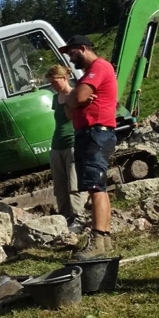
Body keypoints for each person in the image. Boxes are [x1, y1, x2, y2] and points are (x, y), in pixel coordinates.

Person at [63, 35, 118, 260]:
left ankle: (97, 240)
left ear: (83, 49)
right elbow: (69, 108)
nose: (70, 58)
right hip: (88, 133)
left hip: (96, 133)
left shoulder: (99, 67)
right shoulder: (87, 74)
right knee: (97, 186)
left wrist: (74, 99)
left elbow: (80, 97)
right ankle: (103, 239)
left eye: (72, 53)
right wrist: (73, 100)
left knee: (96, 186)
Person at [45, 64, 88, 231]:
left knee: (73, 182)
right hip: (56, 144)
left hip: (71, 142)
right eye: (51, 83)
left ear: (64, 78)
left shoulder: (74, 95)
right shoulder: (56, 99)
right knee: (59, 185)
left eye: (55, 82)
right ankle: (63, 217)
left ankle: (78, 216)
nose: (53, 86)